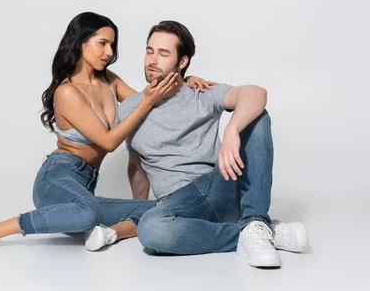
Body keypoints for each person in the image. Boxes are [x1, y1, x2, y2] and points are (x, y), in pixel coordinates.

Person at [0, 12, 213, 253]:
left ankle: (107, 233)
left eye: (112, 45)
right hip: (57, 178)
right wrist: (149, 100)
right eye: (102, 43)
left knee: (156, 209)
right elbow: (109, 140)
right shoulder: (67, 92)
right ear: (80, 44)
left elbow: (151, 100)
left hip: (85, 187)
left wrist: (183, 81)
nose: (109, 53)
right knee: (87, 212)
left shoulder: (109, 81)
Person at [117, 20, 309, 268]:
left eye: (163, 53)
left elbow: (256, 93)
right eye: (149, 51)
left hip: (218, 187)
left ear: (182, 61)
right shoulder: (129, 109)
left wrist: (232, 130)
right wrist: (141, 208)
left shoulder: (202, 92)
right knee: (151, 229)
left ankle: (255, 220)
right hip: (178, 206)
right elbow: (136, 164)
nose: (152, 60)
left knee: (257, 116)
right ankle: (255, 234)